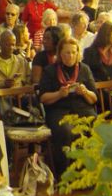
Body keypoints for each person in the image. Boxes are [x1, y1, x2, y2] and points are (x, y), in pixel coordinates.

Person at [40, 38, 97, 176]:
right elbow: (43, 98)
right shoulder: (50, 70)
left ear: (78, 53)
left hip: (82, 108)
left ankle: (89, 172)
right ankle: (66, 174)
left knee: (94, 124)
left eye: (73, 52)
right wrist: (59, 94)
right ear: (60, 54)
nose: (70, 56)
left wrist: (85, 92)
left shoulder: (84, 69)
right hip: (59, 110)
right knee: (66, 131)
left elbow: (94, 98)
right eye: (66, 53)